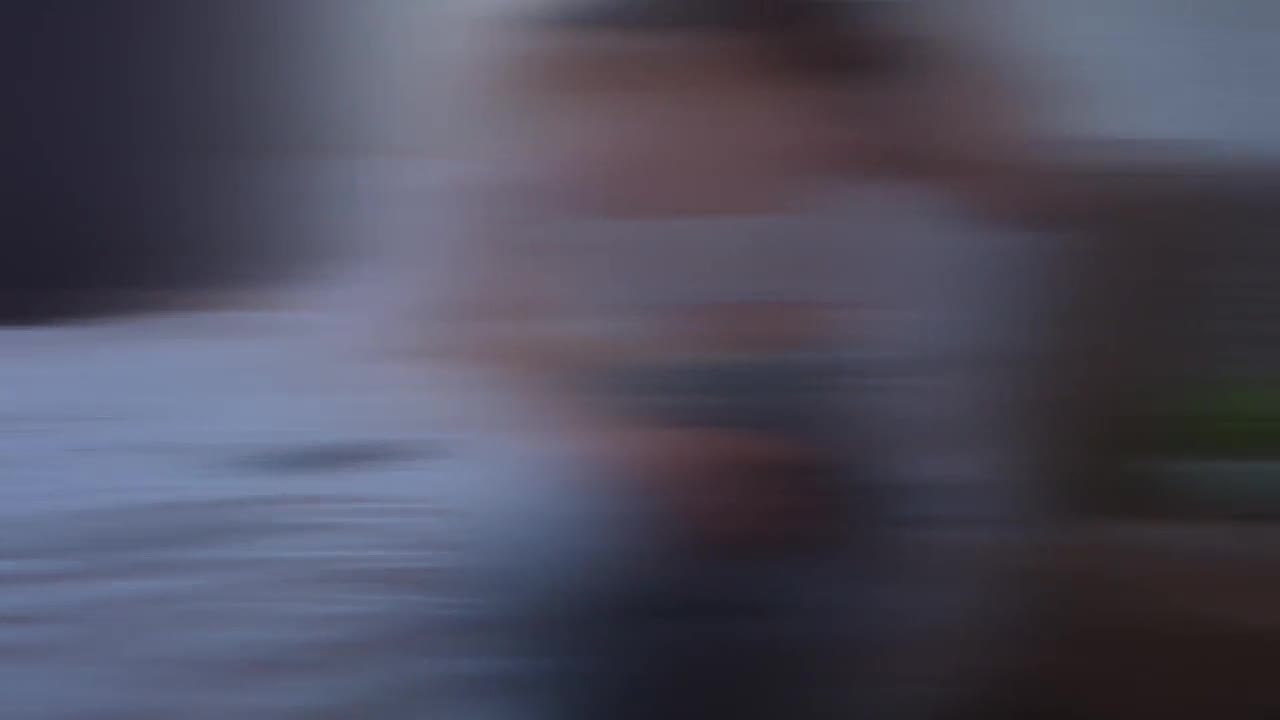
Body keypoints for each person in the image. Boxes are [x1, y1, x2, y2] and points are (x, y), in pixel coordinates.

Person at [424, 1, 1053, 718]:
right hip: (642, 473)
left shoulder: (887, 211)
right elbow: (480, 344)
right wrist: (631, 445)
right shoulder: (541, 193)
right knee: (563, 573)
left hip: (821, 480)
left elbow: (896, 413)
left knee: (756, 608)